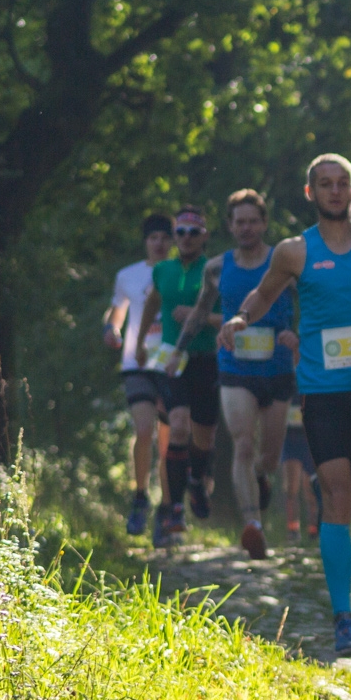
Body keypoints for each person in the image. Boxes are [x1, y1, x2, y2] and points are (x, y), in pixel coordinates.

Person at [218, 153, 351, 656]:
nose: (334, 191)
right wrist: (241, 319)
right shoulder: (294, 252)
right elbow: (263, 295)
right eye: (325, 184)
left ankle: (328, 483)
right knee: (339, 500)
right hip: (321, 390)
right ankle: (344, 619)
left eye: (342, 183)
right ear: (310, 192)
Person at [172, 189, 298, 560]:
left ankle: (261, 477)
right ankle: (252, 524)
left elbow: (311, 304)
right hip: (234, 366)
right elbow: (200, 312)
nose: (246, 228)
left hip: (277, 368)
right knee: (242, 443)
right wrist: (177, 352)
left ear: (264, 224)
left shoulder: (284, 262)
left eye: (253, 221)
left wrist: (299, 336)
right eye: (239, 222)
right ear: (229, 225)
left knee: (269, 457)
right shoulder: (216, 267)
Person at [136, 206, 220, 547]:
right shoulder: (163, 270)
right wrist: (139, 342)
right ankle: (174, 508)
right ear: (175, 237)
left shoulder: (215, 269)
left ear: (204, 236)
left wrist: (200, 316)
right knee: (178, 426)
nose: (186, 238)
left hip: (207, 360)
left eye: (193, 232)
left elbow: (232, 315)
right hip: (173, 360)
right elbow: (152, 304)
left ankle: (197, 481)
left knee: (204, 438)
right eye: (181, 232)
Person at [104, 214, 172, 536]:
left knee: (169, 443)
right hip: (136, 363)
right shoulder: (127, 275)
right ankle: (141, 497)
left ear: (173, 242)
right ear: (146, 242)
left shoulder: (180, 273)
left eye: (165, 237)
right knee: (144, 430)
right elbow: (116, 310)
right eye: (153, 237)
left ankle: (167, 508)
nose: (159, 243)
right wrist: (111, 329)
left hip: (171, 364)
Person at [281, 398, 320, 541]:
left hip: (309, 441)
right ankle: (293, 530)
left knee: (311, 488)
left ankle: (314, 530)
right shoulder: (286, 388)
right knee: (291, 488)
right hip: (289, 441)